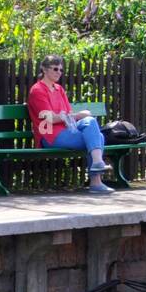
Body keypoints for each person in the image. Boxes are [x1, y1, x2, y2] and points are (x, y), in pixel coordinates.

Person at [26, 54, 112, 194]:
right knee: (98, 138)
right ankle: (96, 182)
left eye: (61, 70)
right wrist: (78, 115)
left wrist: (79, 116)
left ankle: (97, 165)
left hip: (67, 129)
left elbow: (68, 114)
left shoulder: (59, 89)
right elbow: (50, 118)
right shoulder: (37, 90)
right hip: (49, 135)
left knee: (90, 122)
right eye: (55, 69)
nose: (59, 72)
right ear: (45, 69)